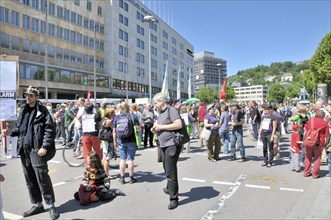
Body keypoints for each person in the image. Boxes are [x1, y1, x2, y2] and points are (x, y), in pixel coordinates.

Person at [1, 86, 60, 219]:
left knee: (42, 178)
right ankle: (37, 204)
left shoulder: (43, 111)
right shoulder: (24, 110)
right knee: (30, 179)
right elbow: (21, 129)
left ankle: (51, 205)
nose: (28, 97)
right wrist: (11, 132)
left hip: (37, 149)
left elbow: (50, 130)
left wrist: (44, 146)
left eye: (31, 95)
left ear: (37, 97)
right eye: (26, 95)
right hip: (24, 149)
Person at [152, 92, 183, 210]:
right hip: (163, 144)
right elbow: (162, 126)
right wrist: (156, 129)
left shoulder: (172, 110)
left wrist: (161, 127)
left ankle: (174, 198)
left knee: (170, 171)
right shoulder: (161, 113)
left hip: (171, 144)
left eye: (156, 102)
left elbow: (178, 124)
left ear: (162, 102)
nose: (154, 105)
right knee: (166, 167)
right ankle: (170, 187)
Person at [113, 102, 140, 184]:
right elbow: (139, 128)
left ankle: (122, 178)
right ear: (128, 107)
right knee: (130, 159)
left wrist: (115, 141)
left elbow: (114, 131)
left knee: (122, 159)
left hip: (121, 140)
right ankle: (131, 178)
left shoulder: (117, 117)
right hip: (131, 140)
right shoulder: (132, 116)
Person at [303, 110, 329, 179]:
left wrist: (304, 140)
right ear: (323, 116)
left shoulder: (310, 120)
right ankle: (315, 174)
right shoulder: (325, 123)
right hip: (318, 143)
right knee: (317, 158)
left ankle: (306, 172)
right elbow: (327, 135)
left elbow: (305, 131)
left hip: (308, 141)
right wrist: (325, 144)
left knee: (308, 157)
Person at [100, 106, 117, 179]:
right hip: (108, 139)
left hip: (103, 139)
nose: (114, 113)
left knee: (104, 156)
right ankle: (106, 174)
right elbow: (113, 129)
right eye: (113, 112)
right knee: (107, 158)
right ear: (110, 113)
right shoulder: (109, 121)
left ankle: (102, 172)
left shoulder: (103, 119)